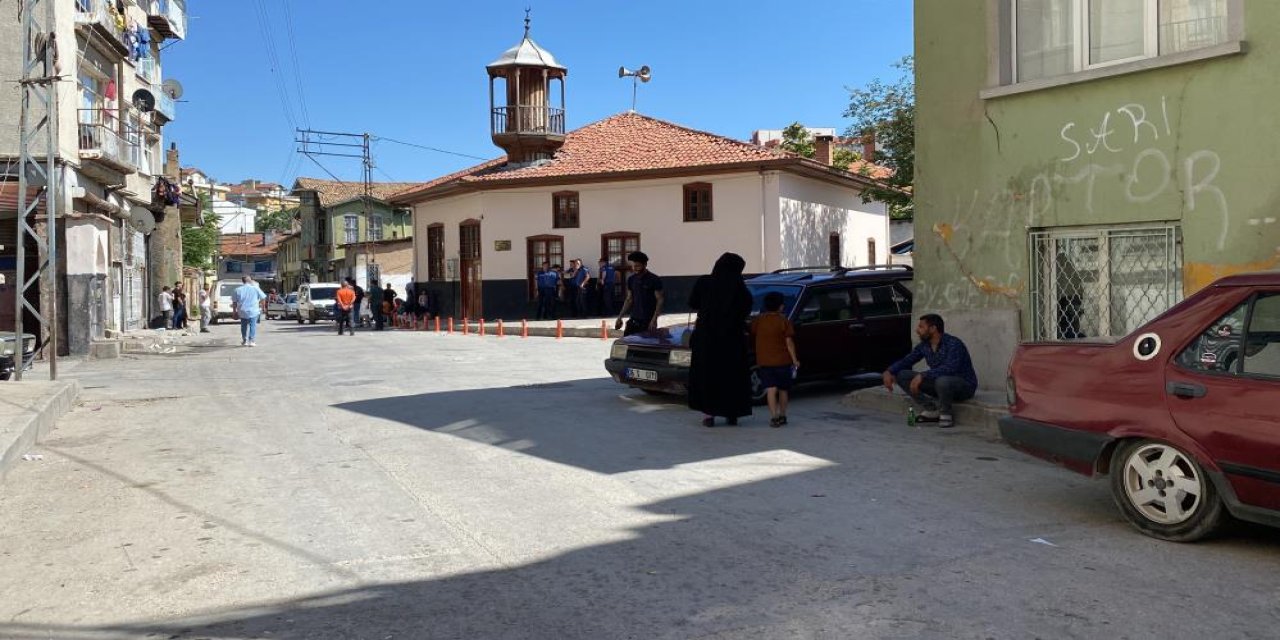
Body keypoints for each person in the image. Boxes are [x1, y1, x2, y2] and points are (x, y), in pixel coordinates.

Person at [687, 252, 753, 427]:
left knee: (707, 375)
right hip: (732, 339)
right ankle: (732, 414)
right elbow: (747, 306)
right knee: (731, 375)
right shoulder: (739, 286)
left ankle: (708, 415)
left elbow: (692, 303)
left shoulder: (704, 282)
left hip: (706, 338)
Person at [883, 313, 978, 428]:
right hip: (939, 385)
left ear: (933, 328)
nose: (917, 330)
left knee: (943, 380)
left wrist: (923, 375)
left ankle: (945, 414)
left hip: (963, 387)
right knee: (902, 375)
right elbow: (907, 360)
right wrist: (889, 371)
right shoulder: (924, 346)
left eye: (921, 327)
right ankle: (931, 409)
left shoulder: (954, 343)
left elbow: (950, 368)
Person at [752, 291, 799, 428]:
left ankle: (774, 416)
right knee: (783, 389)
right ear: (781, 307)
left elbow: (753, 332)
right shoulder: (784, 321)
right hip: (783, 361)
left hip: (765, 361)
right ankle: (783, 415)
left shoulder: (759, 320)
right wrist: (795, 360)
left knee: (771, 389)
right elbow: (789, 342)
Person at [615, 252, 663, 336]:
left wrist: (654, 319)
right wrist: (620, 317)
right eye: (633, 266)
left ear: (645, 265)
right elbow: (629, 299)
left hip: (647, 321)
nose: (635, 268)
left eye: (638, 266)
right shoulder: (631, 279)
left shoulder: (654, 279)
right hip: (633, 319)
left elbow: (660, 300)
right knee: (627, 344)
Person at [231, 275, 267, 347]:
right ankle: (251, 341)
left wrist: (234, 312)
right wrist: (263, 307)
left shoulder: (237, 290)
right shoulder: (255, 288)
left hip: (242, 311)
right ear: (249, 280)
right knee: (252, 325)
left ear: (243, 281)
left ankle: (244, 340)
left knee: (243, 326)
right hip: (253, 310)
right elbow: (263, 298)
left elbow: (234, 302)